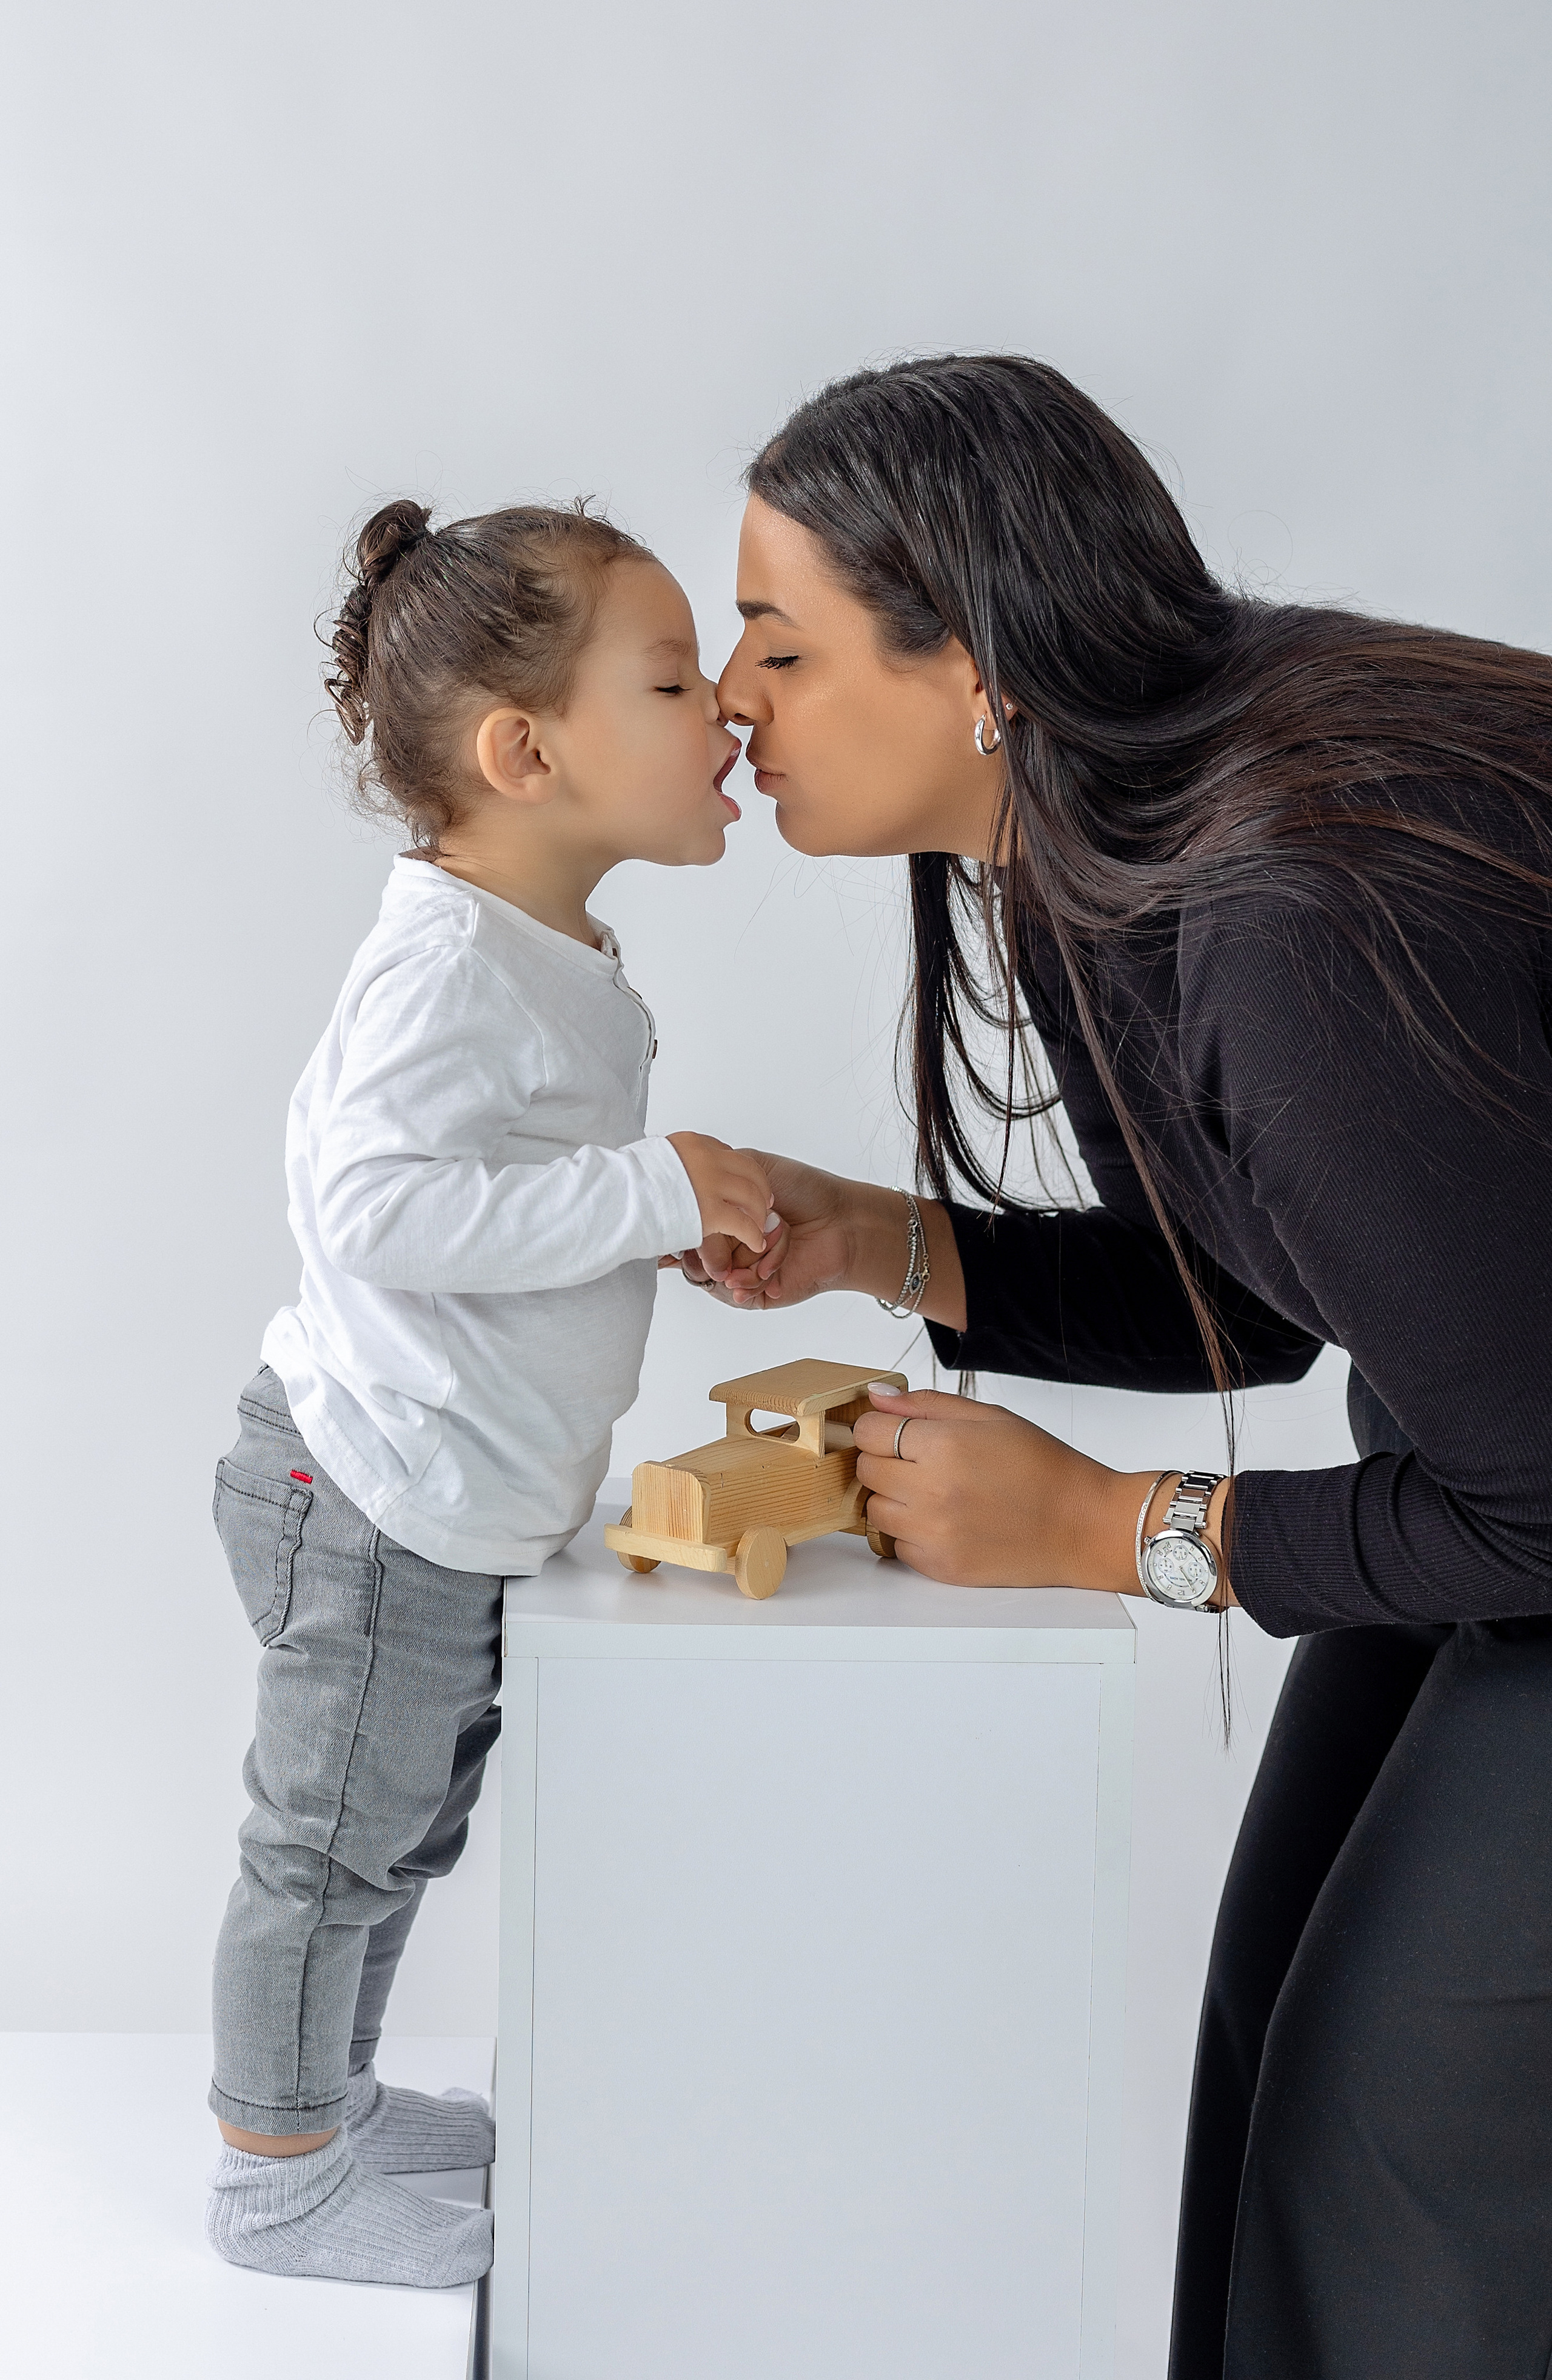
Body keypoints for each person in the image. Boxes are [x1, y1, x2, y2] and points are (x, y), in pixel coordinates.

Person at [686, 356, 1552, 2378]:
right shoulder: (1110, 835)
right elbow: (1275, 1292)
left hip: (1528, 1493)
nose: (734, 697)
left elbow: (1537, 1496)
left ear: (970, 661)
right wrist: (880, 1240)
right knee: (1277, 2031)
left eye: (779, 643)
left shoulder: (1287, 909)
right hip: (1495, 1457)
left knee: (1395, 2132)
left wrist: (1110, 1533)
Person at [205, 498, 778, 2287]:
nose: (733, 717)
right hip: (370, 1492)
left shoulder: (535, 952)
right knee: (329, 1851)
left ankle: (336, 2102)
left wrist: (647, 1227)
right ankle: (277, 2176)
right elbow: (365, 1206)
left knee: (404, 1828)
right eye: (680, 682)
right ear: (526, 752)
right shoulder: (446, 963)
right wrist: (645, 1196)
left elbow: (489, 1202)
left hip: (438, 1501)